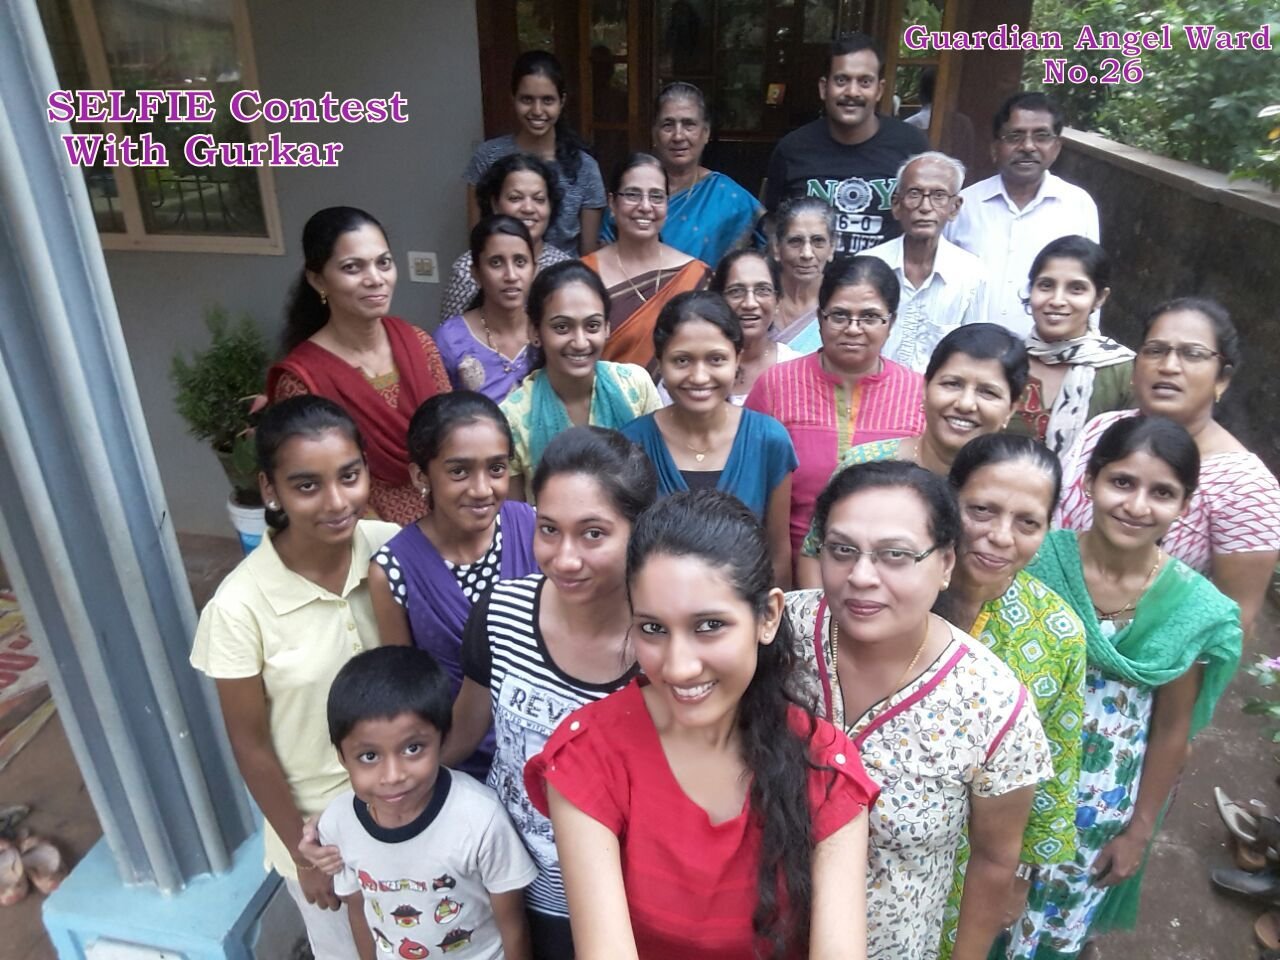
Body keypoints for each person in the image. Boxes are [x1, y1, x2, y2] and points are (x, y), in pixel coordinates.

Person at [526, 490, 877, 959]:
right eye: (653, 628)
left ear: (768, 616)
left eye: (709, 626)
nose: (679, 666)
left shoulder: (824, 767)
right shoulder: (589, 755)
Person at [786, 460, 1053, 960]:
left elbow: (994, 858)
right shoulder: (777, 637)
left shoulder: (992, 704)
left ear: (946, 563)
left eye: (896, 555)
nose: (861, 576)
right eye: (842, 550)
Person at [1007, 416, 1242, 959]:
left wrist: (1138, 833)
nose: (1137, 506)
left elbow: (1171, 731)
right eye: (1122, 482)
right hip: (1008, 787)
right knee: (977, 915)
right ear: (1089, 480)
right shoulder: (1036, 562)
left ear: (1184, 505)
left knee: (1048, 939)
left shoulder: (1190, 607)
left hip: (1097, 812)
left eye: (1162, 493)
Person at [189, 396, 405, 959]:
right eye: (307, 485)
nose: (336, 501)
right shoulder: (239, 608)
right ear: (270, 489)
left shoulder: (392, 548)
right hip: (322, 834)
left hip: (412, 798)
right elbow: (251, 746)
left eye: (349, 476)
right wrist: (303, 855)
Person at [442, 427, 658, 959]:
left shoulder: (663, 647)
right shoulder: (500, 614)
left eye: (593, 534)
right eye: (549, 530)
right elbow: (462, 734)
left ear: (639, 531)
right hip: (506, 887)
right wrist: (369, 806)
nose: (565, 558)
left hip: (622, 905)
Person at [933, 435, 1087, 960]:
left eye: (1027, 522)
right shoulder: (891, 593)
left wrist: (1019, 875)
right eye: (981, 510)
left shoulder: (1058, 634)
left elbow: (1054, 769)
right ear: (948, 500)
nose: (1000, 537)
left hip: (976, 861)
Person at [1055, 298, 1280, 637]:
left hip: (1147, 658)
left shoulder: (1246, 487)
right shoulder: (1103, 429)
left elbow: (1232, 625)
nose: (1169, 366)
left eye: (1193, 354)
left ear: (1222, 379)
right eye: (1155, 351)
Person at [318, 647, 537, 960]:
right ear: (342, 756)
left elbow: (513, 924)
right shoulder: (338, 824)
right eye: (369, 756)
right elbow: (358, 911)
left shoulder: (479, 817)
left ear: (442, 739)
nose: (393, 776)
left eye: (413, 749)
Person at [369, 392, 539, 780]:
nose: (482, 489)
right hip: (463, 767)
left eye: (496, 469)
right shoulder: (394, 571)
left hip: (553, 751)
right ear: (420, 476)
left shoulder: (534, 527)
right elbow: (408, 695)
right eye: (459, 471)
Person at [795, 323, 1028, 586]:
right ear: (925, 388)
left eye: (988, 392)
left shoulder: (1017, 488)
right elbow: (814, 553)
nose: (965, 404)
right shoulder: (866, 464)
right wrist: (825, 613)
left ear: (1011, 408)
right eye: (952, 384)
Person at [268, 207, 451, 525]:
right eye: (353, 267)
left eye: (384, 263)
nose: (376, 279)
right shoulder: (302, 381)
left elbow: (453, 436)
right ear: (317, 279)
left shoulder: (419, 344)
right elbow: (315, 482)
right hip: (362, 534)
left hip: (449, 519)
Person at [745, 256, 926, 558]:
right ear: (820, 318)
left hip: (887, 568)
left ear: (891, 322)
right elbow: (748, 484)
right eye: (839, 315)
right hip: (784, 565)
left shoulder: (917, 393)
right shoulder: (776, 385)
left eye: (870, 317)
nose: (853, 329)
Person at [622, 292, 797, 587]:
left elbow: (777, 554)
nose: (700, 377)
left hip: (744, 612)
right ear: (660, 361)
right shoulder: (632, 444)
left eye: (716, 359)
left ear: (737, 358)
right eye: (682, 360)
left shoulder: (769, 440)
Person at [499, 261, 662, 502]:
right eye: (562, 327)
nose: (580, 342)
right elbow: (515, 515)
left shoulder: (635, 385)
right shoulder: (512, 417)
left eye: (592, 326)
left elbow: (659, 479)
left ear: (607, 328)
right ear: (534, 331)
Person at [945, 92, 1100, 336]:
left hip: (1049, 351)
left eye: (1041, 136)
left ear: (1056, 147)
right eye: (1015, 136)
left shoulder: (1077, 205)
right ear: (995, 147)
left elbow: (1090, 283)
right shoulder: (964, 205)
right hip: (973, 349)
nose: (1028, 146)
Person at [764, 33, 929, 254]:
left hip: (886, 275)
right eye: (841, 80)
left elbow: (928, 218)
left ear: (879, 90)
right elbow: (773, 224)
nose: (852, 92)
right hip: (810, 275)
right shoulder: (792, 149)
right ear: (824, 88)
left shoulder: (911, 146)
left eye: (865, 82)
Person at [599, 83, 765, 265]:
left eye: (689, 125)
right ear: (654, 133)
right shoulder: (629, 193)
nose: (678, 136)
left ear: (706, 133)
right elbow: (604, 262)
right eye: (668, 125)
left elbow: (771, 245)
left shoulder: (728, 197)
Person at [464, 51, 605, 255]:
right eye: (527, 99)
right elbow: (476, 242)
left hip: (565, 273)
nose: (537, 111)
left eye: (547, 100)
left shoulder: (585, 167)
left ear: (562, 101)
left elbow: (589, 254)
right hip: (501, 270)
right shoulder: (488, 157)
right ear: (513, 98)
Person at [864, 152, 990, 373]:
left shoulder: (972, 275)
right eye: (914, 193)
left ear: (954, 207)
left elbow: (975, 353)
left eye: (939, 195)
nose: (925, 206)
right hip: (871, 390)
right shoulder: (867, 267)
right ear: (896, 204)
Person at [585, 153, 712, 370]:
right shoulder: (584, 275)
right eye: (632, 194)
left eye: (656, 196)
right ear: (612, 203)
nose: (645, 206)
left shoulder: (696, 275)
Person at [1008, 235, 1133, 456]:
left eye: (1076, 289)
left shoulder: (1124, 372)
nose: (1057, 300)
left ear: (1100, 298)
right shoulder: (1004, 359)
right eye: (1046, 285)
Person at [441, 153, 572, 321]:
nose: (528, 208)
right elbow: (449, 332)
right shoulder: (466, 270)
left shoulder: (566, 269)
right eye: (515, 198)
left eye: (539, 199)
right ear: (495, 204)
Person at [435, 216, 538, 402]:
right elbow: (441, 413)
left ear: (534, 270)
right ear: (476, 273)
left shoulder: (547, 332)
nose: (511, 275)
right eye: (496, 263)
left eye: (520, 262)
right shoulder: (450, 339)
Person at [709, 249, 798, 402]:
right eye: (736, 291)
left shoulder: (795, 369)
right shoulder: (696, 368)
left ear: (777, 301)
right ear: (719, 300)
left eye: (762, 290)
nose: (750, 303)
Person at [768, 197, 837, 353]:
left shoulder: (842, 306)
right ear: (777, 247)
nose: (807, 254)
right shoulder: (757, 302)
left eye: (818, 241)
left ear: (832, 247)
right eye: (795, 241)